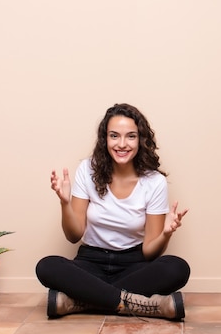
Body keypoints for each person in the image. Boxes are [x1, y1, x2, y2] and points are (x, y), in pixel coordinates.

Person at [36, 103, 190, 321]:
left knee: (177, 268)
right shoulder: (88, 170)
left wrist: (166, 234)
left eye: (131, 136)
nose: (122, 144)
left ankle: (79, 301)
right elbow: (73, 236)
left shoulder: (154, 181)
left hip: (133, 264)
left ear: (141, 139)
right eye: (114, 136)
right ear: (105, 139)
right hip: (91, 261)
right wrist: (64, 203)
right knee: (47, 266)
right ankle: (145, 306)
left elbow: (150, 253)